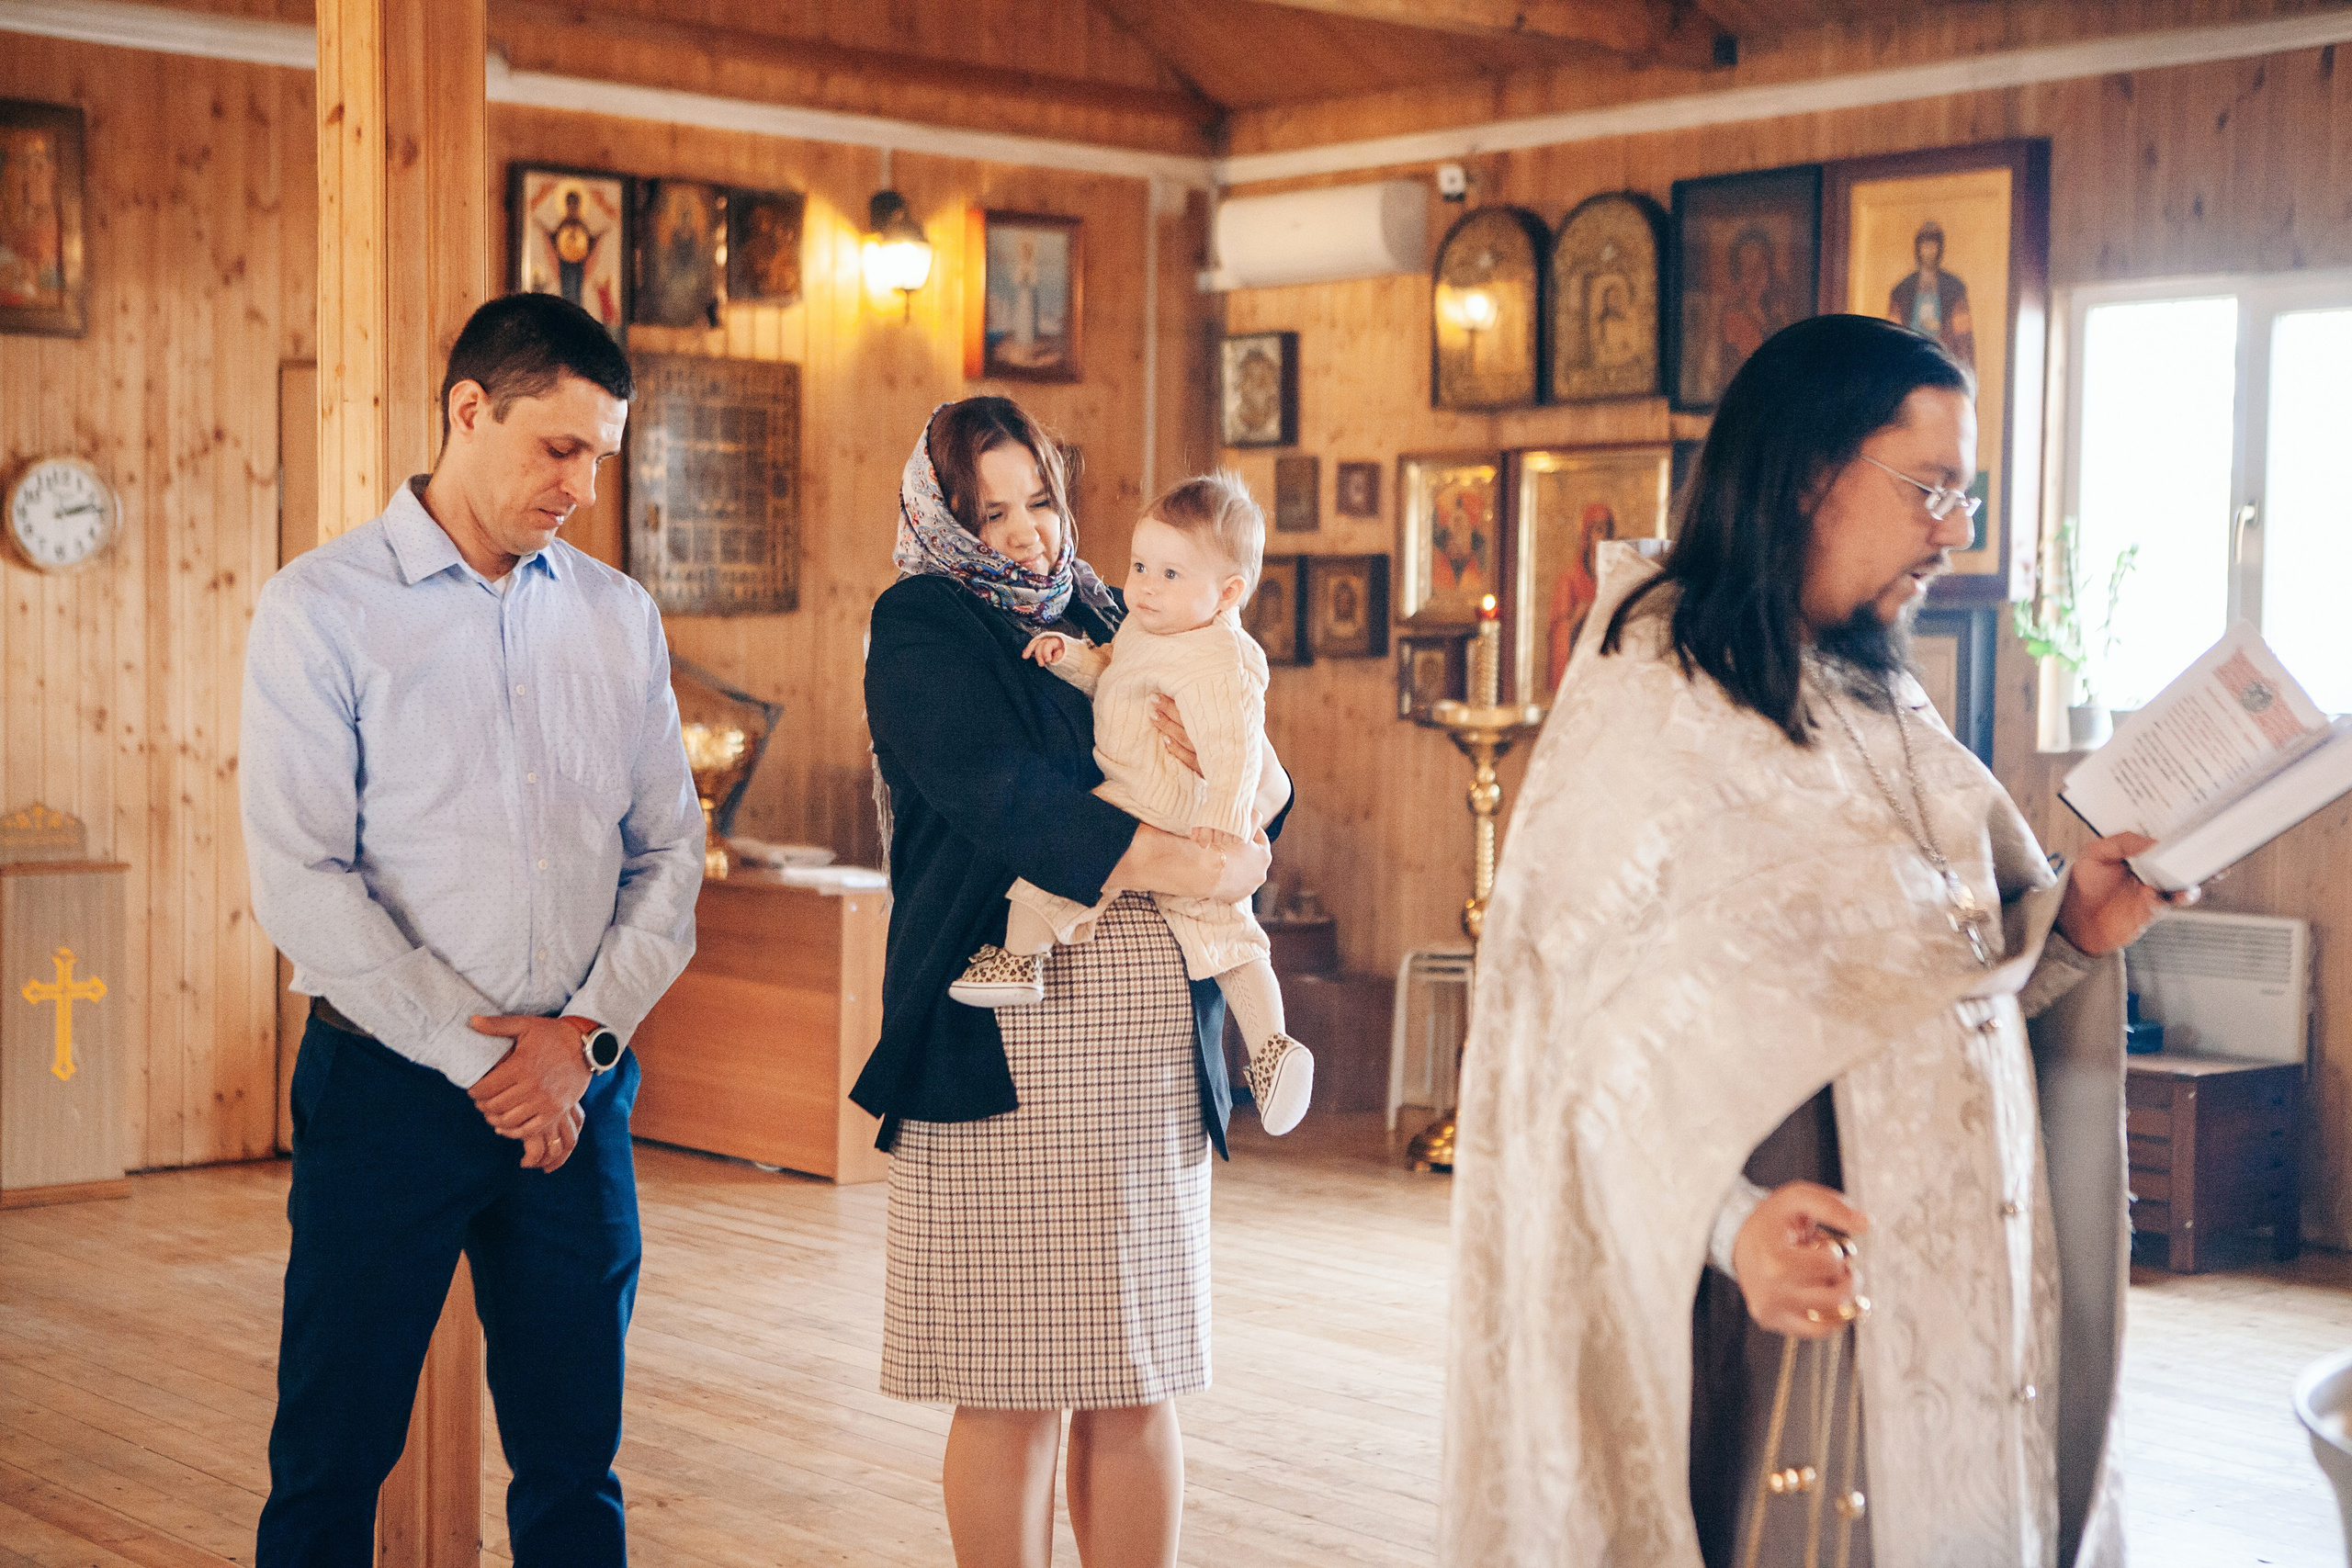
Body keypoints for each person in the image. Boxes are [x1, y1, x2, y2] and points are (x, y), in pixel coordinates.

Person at [1442, 314, 2184, 1568]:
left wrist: (2068, 927)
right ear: (1805, 474)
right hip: (1779, 1295)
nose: (1952, 531)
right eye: (1929, 487)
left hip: (1950, 1282)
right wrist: (1729, 1222)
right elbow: (1571, 1057)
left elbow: (1929, 976)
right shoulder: (1653, 696)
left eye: (1963, 493)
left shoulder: (1872, 689)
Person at [240, 292, 703, 1567]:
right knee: (330, 1458)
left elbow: (670, 855)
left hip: (579, 1096)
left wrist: (580, 1044)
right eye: (559, 449)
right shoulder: (319, 608)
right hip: (388, 1092)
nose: (582, 487)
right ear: (467, 410)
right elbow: (302, 877)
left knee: (575, 1464)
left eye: (600, 457)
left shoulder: (618, 615)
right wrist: (487, 1058)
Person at [856, 397, 1289, 1568]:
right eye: (987, 512)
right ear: (942, 520)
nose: (1023, 533)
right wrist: (1179, 856)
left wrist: (1241, 810)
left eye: (1037, 501)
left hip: (1144, 1040)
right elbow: (996, 791)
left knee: (1135, 1371)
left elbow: (1253, 758)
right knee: (1008, 1381)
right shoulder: (922, 623)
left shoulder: (1113, 603)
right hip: (1002, 1028)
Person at [950, 471, 1314, 1136]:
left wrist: (1223, 820)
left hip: (1162, 800)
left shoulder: (1218, 657)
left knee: (1069, 869)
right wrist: (1070, 657)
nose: (1144, 586)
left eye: (1169, 574)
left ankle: (1022, 959)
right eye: (1140, 566)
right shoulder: (1148, 624)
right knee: (1215, 928)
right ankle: (1270, 1048)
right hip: (1144, 794)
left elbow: (1234, 750)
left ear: (1227, 593)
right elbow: (1113, 672)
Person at [1888, 219, 1975, 369]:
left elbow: (1963, 338)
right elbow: (1892, 335)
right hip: (1910, 362)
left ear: (1939, 248)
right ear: (1918, 248)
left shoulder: (1954, 288)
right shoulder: (1902, 290)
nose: (1928, 250)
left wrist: (1965, 372)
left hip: (1943, 363)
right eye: (1924, 245)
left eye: (1933, 245)